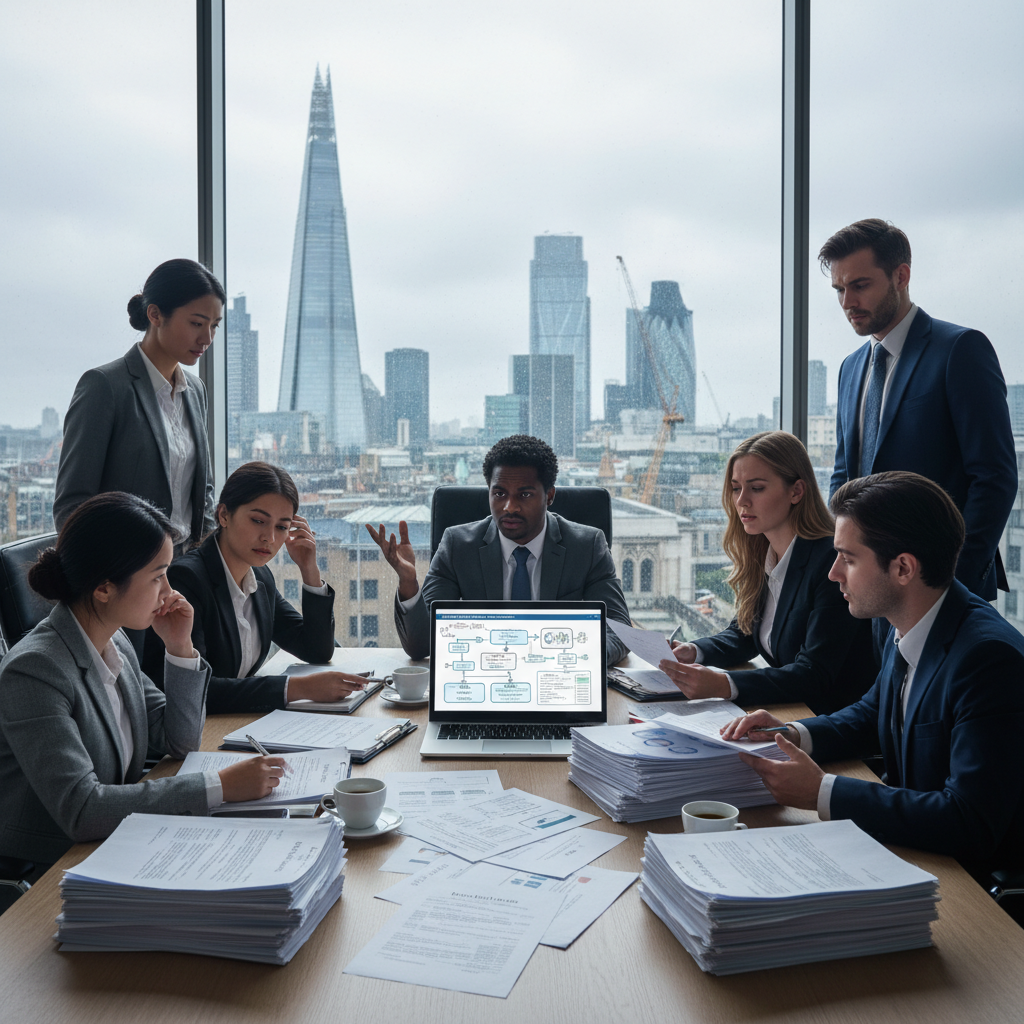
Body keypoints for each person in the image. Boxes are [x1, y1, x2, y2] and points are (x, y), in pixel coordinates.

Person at [722, 472, 1024, 874]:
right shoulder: (908, 618)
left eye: (848, 558)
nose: (833, 573)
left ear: (902, 568)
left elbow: (969, 820)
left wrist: (823, 792)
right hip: (914, 852)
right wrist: (792, 734)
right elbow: (873, 713)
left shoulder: (988, 660)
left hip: (969, 883)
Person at [0, 492, 288, 867]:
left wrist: (179, 647)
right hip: (51, 864)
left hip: (119, 842)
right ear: (103, 588)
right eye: (157, 577)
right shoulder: (35, 671)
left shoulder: (114, 640)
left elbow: (179, 740)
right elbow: (82, 809)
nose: (169, 591)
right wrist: (220, 786)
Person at [821, 218, 1016, 602]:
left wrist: (950, 582)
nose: (847, 302)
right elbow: (845, 477)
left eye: (860, 285)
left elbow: (994, 478)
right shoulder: (850, 368)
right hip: (869, 591)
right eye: (839, 289)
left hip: (941, 590)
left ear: (901, 275)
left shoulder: (960, 350)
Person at [367, 434, 632, 666]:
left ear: (549, 496)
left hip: (558, 684)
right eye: (499, 493)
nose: (509, 507)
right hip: (484, 682)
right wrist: (409, 583)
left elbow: (621, 633)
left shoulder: (587, 546)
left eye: (525, 495)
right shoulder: (457, 546)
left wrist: (560, 657)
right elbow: (420, 646)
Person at [658, 432, 873, 714]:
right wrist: (693, 651)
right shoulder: (763, 551)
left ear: (796, 491)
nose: (742, 501)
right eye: (736, 488)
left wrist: (724, 684)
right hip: (787, 711)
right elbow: (745, 634)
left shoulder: (830, 564)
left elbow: (814, 673)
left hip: (828, 724)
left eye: (756, 488)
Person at [143, 462, 365, 714]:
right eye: (258, 520)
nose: (269, 538)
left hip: (236, 722)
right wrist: (297, 688)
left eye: (282, 526)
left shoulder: (260, 577)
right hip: (194, 733)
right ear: (223, 515)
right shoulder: (187, 579)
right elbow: (192, 690)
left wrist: (309, 571)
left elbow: (317, 650)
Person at [54, 258, 226, 554]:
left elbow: (204, 494)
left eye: (214, 325)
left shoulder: (195, 390)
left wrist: (207, 565)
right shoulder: (105, 386)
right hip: (130, 575)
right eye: (197, 323)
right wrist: (122, 575)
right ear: (156, 314)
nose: (207, 338)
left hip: (189, 570)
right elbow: (73, 506)